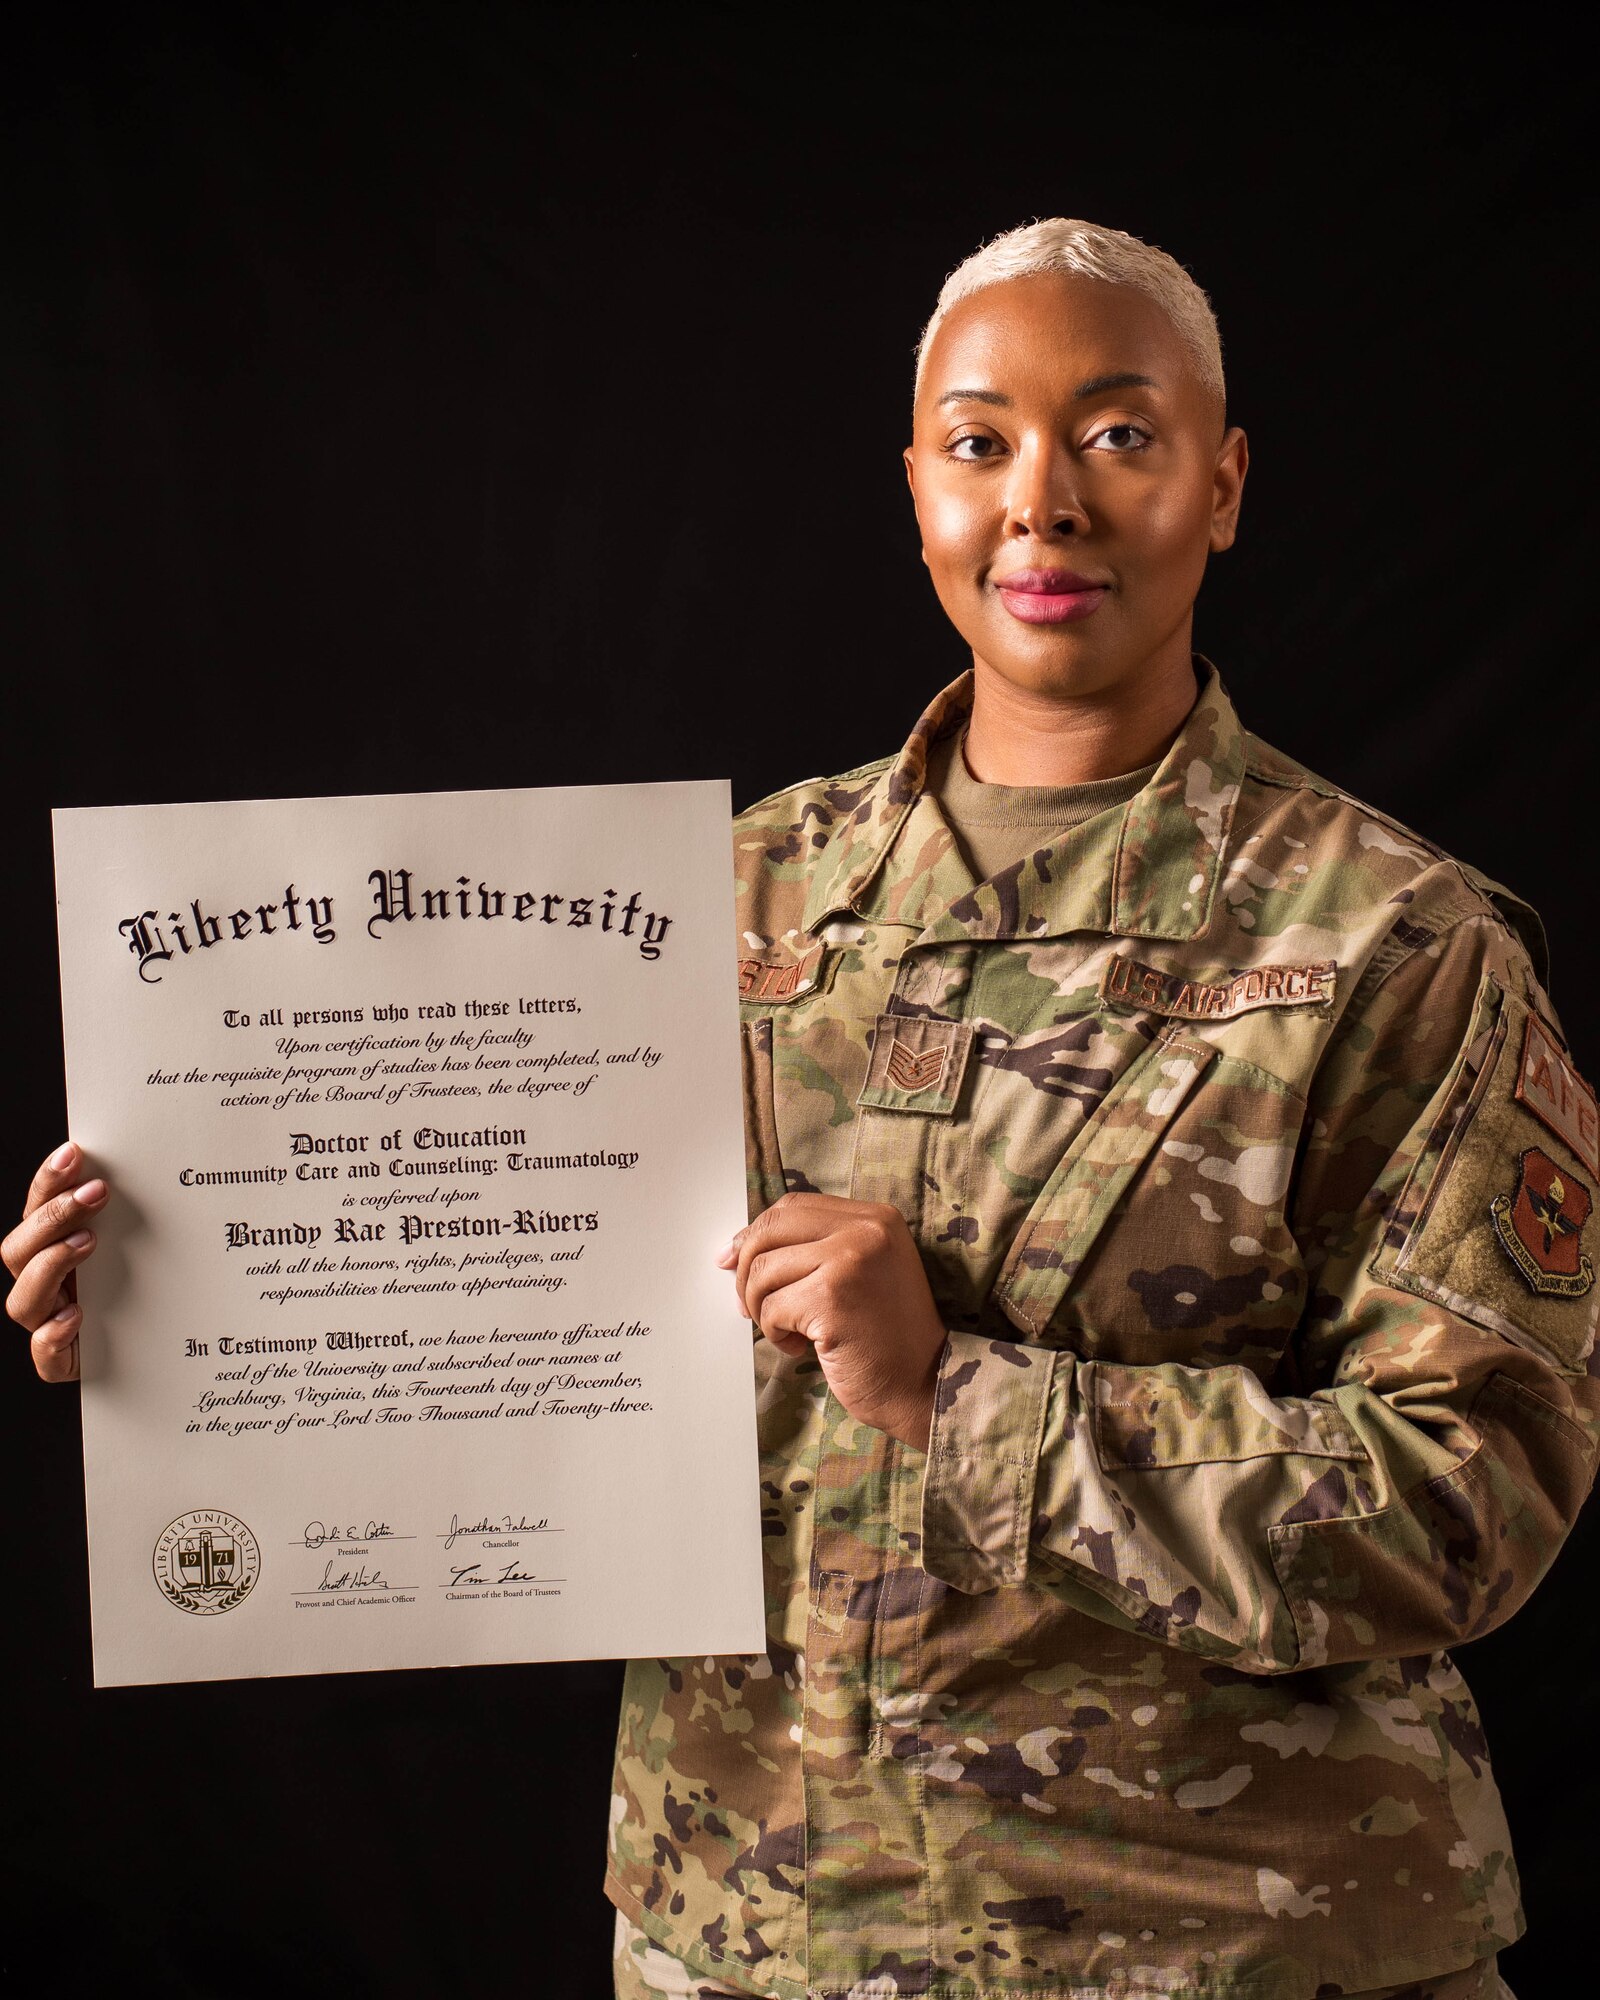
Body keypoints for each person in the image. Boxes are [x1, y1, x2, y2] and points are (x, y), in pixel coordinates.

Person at [11, 221, 1593, 2000]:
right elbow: (527, 1343)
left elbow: (1479, 1498)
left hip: (1231, 1941)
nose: (1045, 502)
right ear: (914, 488)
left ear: (1223, 488)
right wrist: (197, 1341)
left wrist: (953, 1397)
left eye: (1122, 436)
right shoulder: (723, 903)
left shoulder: (1397, 947)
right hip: (753, 1923)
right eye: (982, 441)